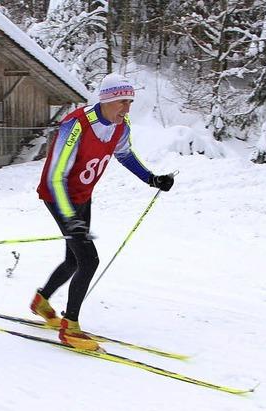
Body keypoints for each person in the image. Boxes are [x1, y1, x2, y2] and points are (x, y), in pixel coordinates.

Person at [32, 73, 174, 351]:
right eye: (122, 102)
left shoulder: (121, 126)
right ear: (107, 100)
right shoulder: (76, 125)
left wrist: (151, 178)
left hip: (82, 197)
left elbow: (124, 155)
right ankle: (69, 327)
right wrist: (70, 216)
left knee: (74, 260)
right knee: (89, 260)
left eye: (130, 102)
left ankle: (42, 301)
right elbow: (54, 176)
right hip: (59, 197)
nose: (127, 109)